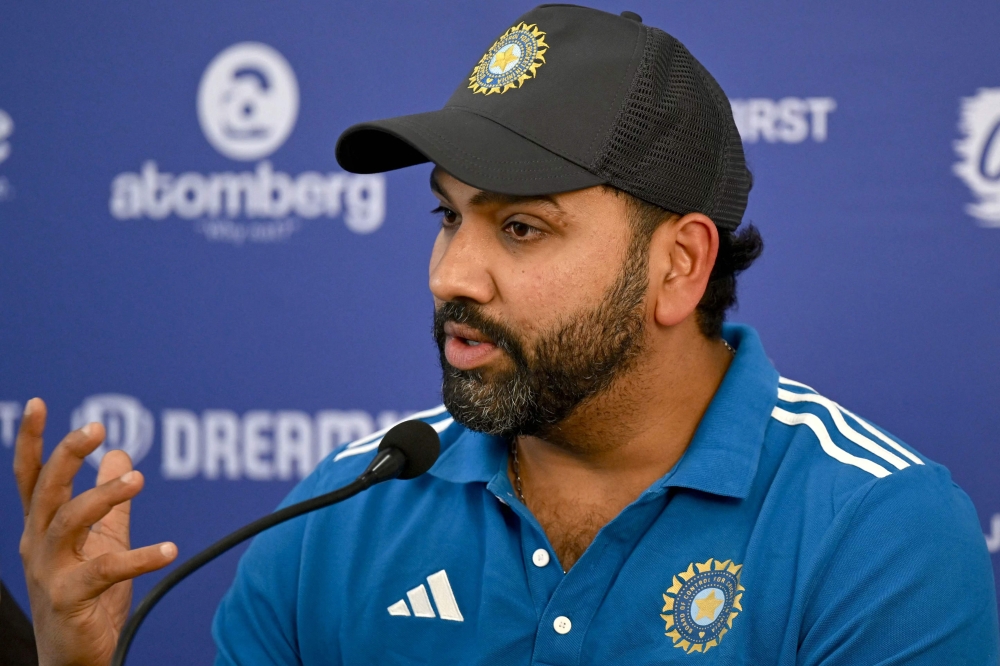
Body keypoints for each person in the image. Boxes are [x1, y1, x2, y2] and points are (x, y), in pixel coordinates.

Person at [15, 5, 998, 664]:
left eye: (521, 228)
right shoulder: (340, 513)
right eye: (448, 217)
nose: (450, 274)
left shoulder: (878, 535)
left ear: (679, 266)